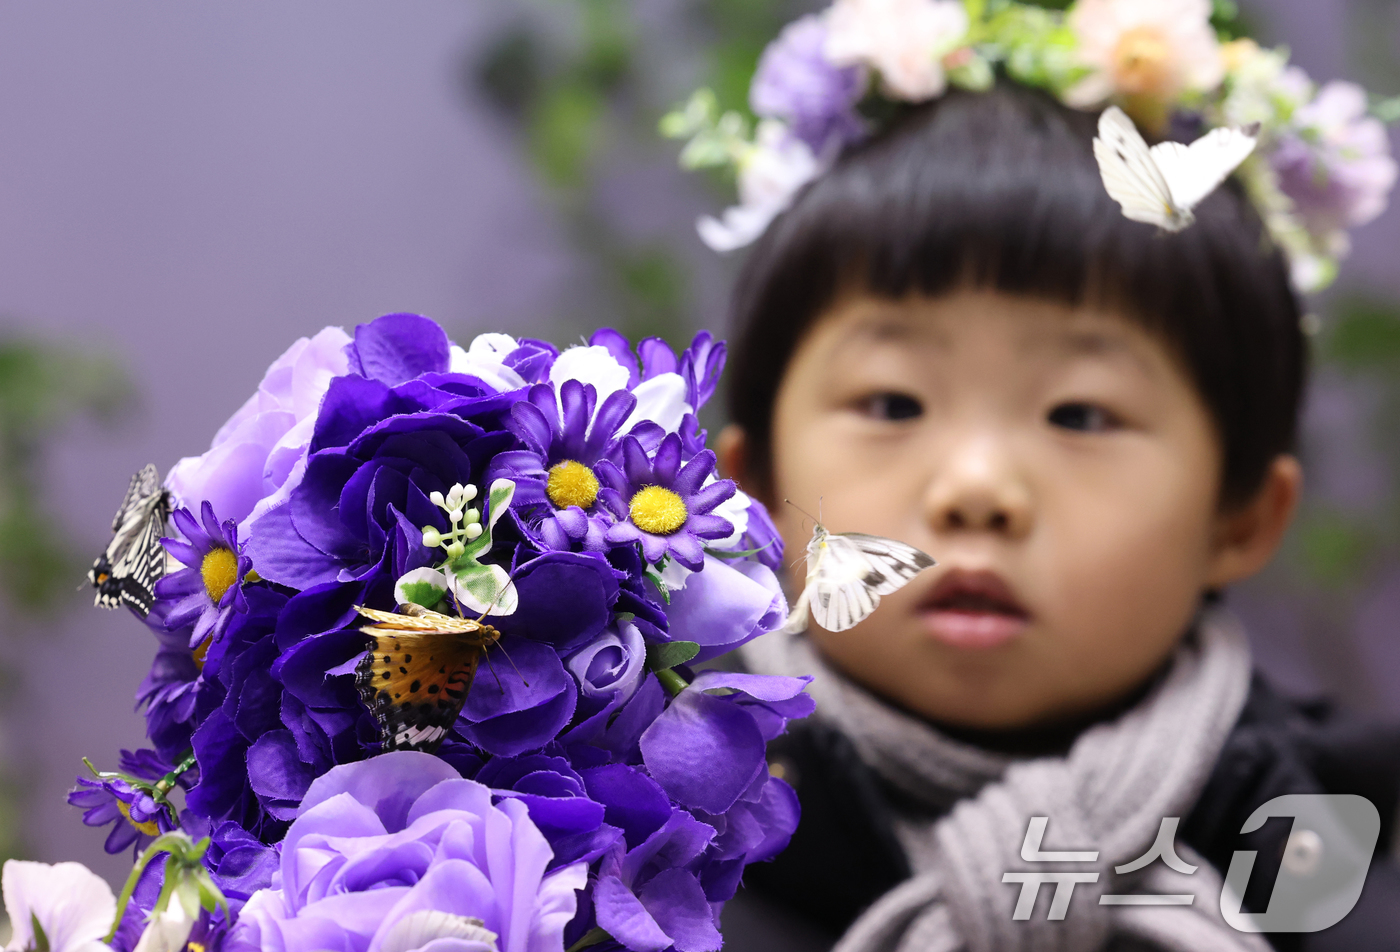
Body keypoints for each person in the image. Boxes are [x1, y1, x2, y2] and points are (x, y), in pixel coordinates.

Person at [711, 82, 1400, 951]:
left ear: (1239, 518)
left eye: (1079, 415)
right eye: (892, 403)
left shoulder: (1325, 874)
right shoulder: (648, 852)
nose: (977, 488)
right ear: (757, 492)